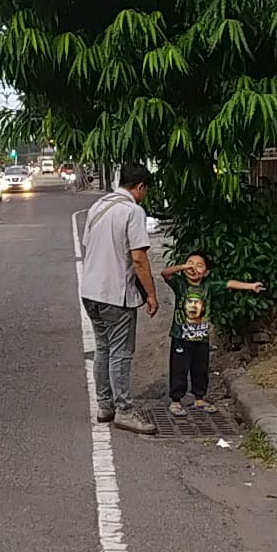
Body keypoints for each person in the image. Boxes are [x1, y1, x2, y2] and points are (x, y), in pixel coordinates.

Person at [80, 162, 159, 435]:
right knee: (121, 352)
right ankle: (124, 410)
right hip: (115, 294)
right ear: (139, 187)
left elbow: (89, 246)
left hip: (90, 291)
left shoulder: (97, 207)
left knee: (103, 348)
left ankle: (105, 406)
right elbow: (138, 258)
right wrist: (151, 293)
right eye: (145, 190)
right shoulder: (132, 211)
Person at [160, 253, 264, 416]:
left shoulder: (208, 286)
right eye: (190, 263)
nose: (193, 267)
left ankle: (199, 398)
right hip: (181, 337)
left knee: (200, 368)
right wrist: (181, 267)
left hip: (201, 338)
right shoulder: (180, 284)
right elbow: (165, 273)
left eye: (199, 265)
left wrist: (250, 286)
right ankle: (176, 400)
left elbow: (229, 283)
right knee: (179, 369)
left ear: (206, 272)